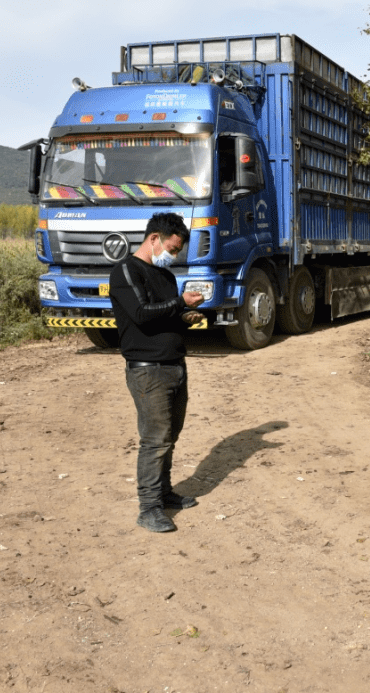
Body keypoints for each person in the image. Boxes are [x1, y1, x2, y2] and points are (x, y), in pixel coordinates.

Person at [110, 212, 205, 533]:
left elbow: (165, 316)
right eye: (173, 249)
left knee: (170, 437)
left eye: (178, 251)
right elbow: (140, 313)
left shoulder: (165, 276)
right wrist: (180, 303)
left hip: (175, 366)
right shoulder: (126, 271)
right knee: (155, 440)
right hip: (148, 371)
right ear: (154, 240)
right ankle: (148, 508)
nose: (174, 256)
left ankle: (164, 493)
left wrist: (185, 316)